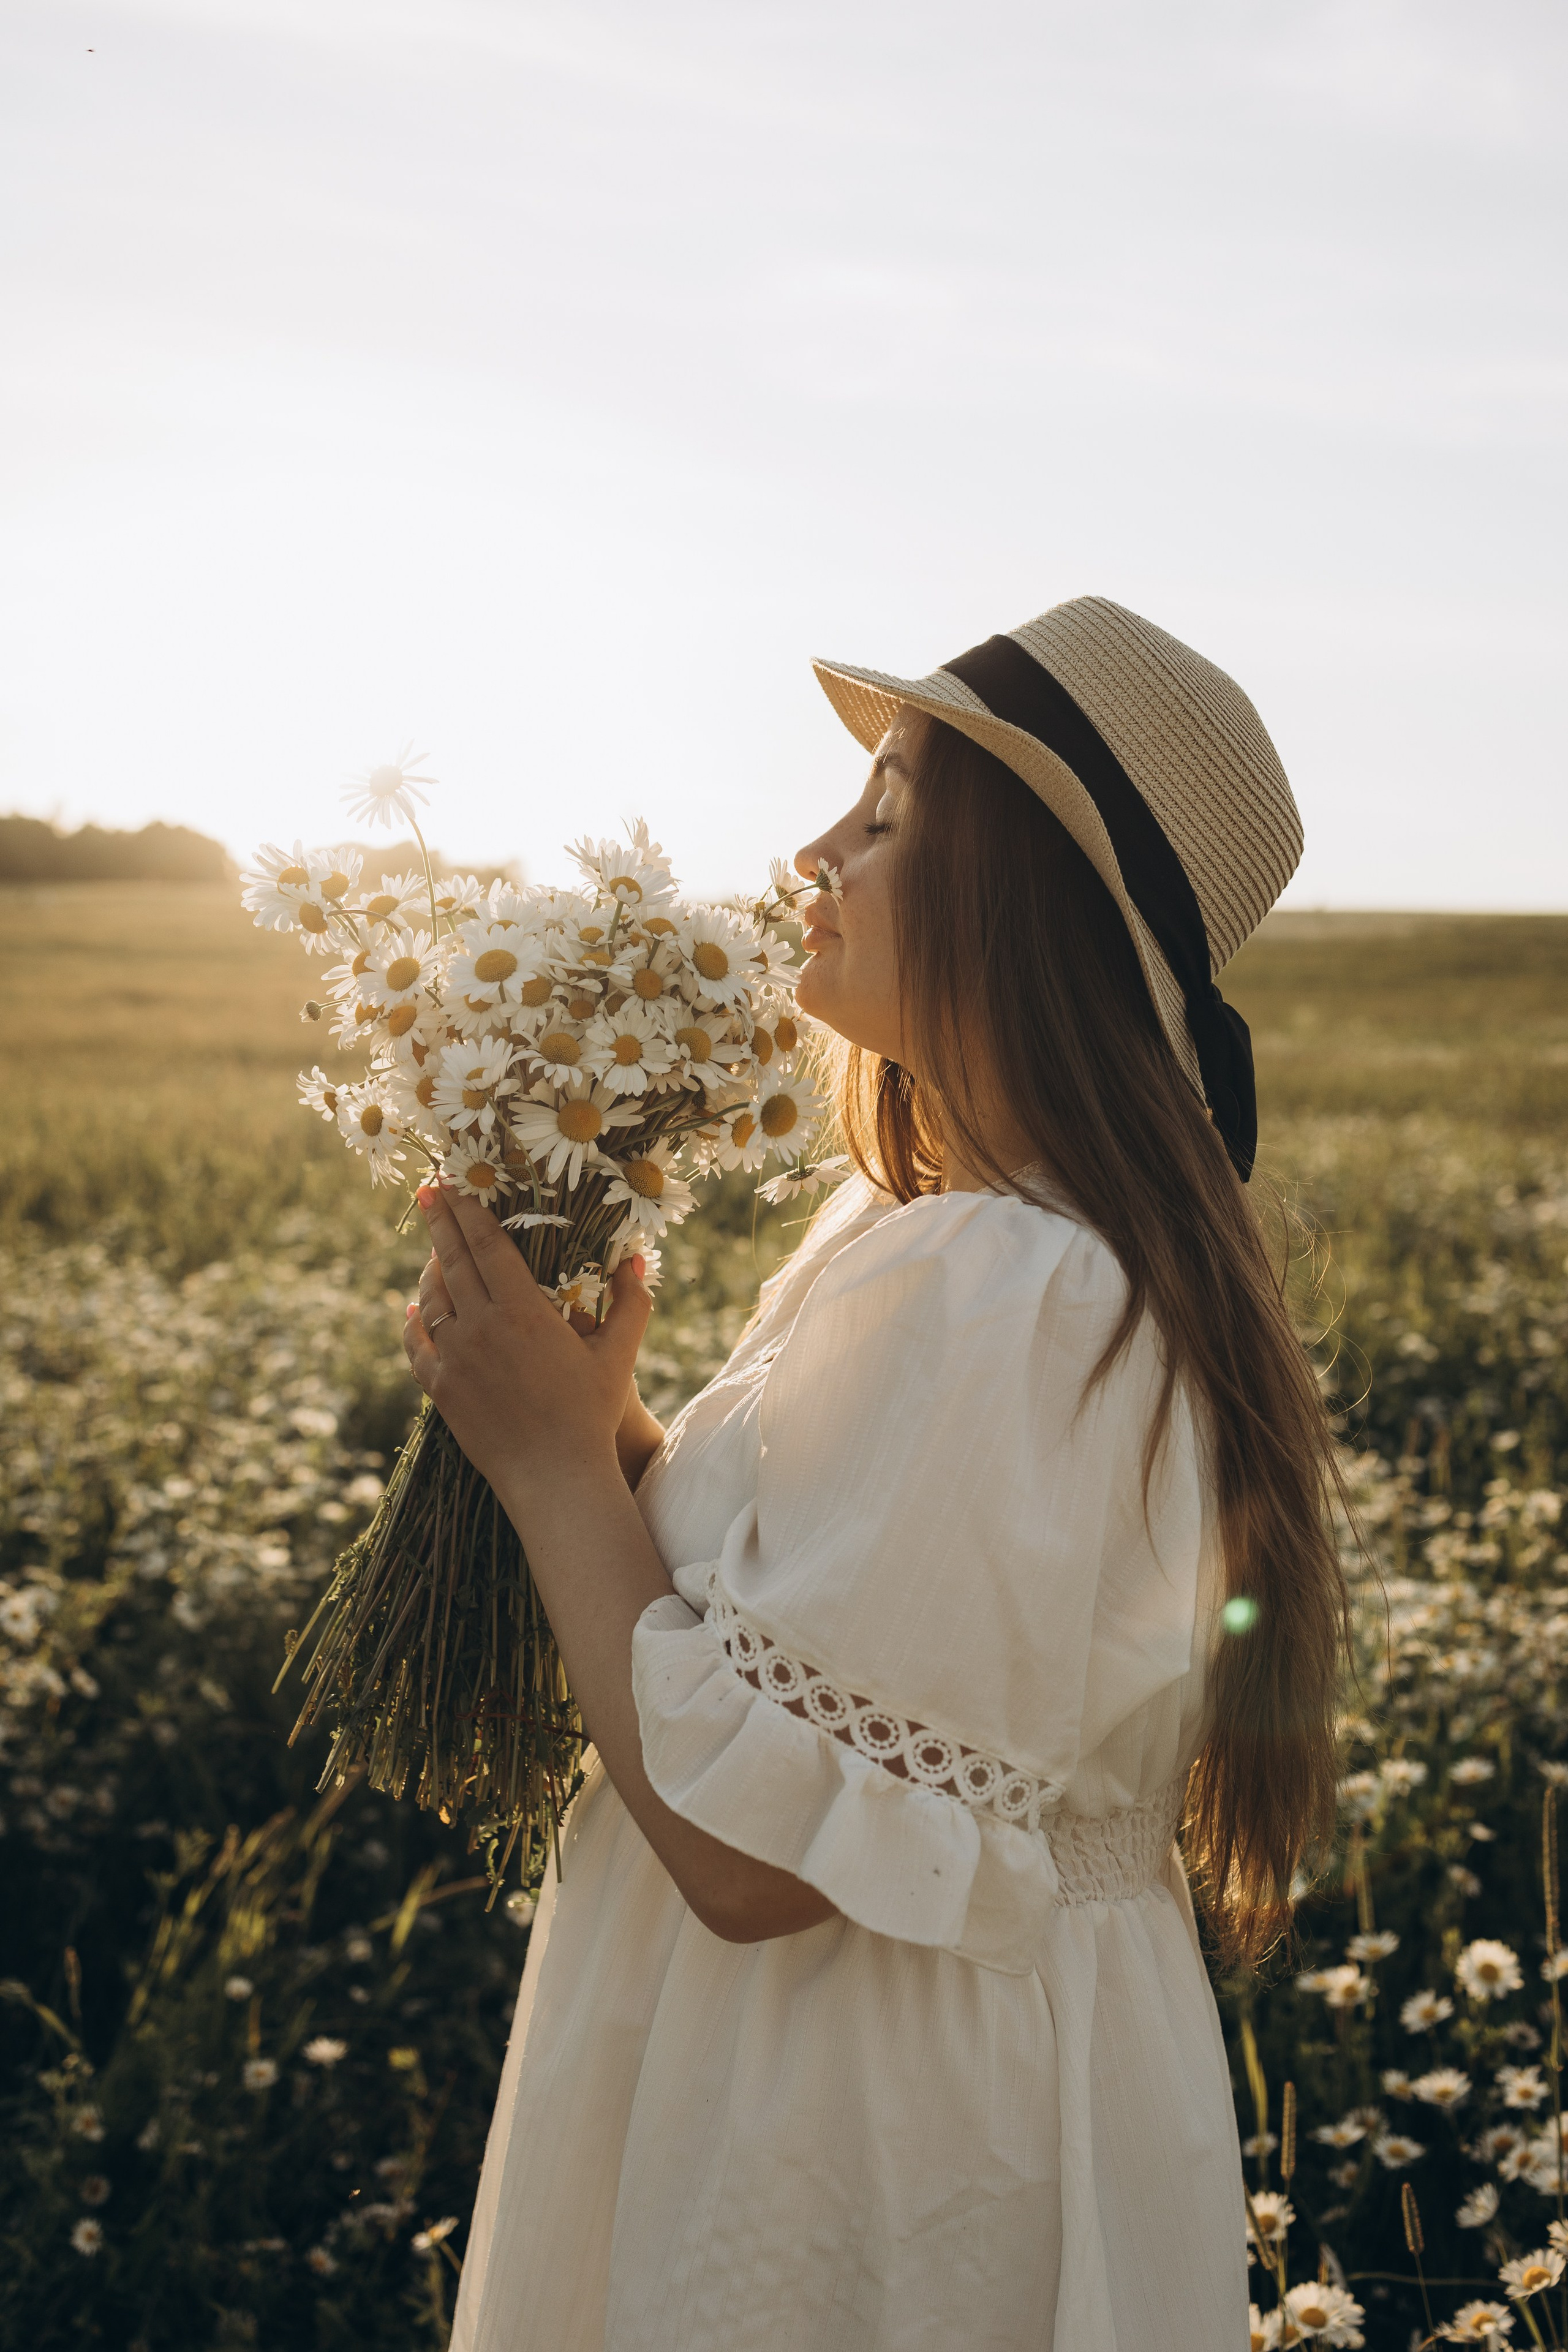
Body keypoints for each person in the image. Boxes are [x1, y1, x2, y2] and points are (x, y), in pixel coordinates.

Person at [412, 596, 1350, 2352]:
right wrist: (609, 1433)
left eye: (890, 812)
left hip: (859, 2119)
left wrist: (550, 1473)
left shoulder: (1016, 1288)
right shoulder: (933, 1240)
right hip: (876, 2061)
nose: (814, 849)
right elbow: (802, 1654)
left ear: (1031, 911)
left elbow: (757, 1861)